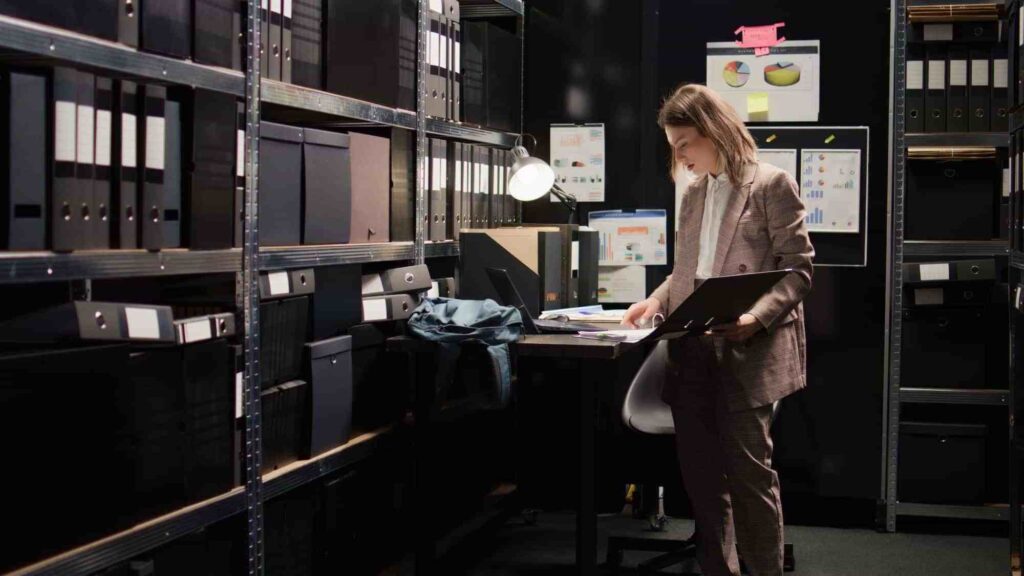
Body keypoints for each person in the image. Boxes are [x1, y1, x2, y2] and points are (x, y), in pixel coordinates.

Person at [621, 83, 814, 576]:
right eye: (673, 147)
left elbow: (799, 269)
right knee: (704, 485)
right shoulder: (693, 194)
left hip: (747, 351)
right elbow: (685, 272)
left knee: (750, 480)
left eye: (684, 142)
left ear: (714, 131)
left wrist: (755, 317)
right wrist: (654, 301)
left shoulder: (771, 183)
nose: (680, 156)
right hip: (693, 352)